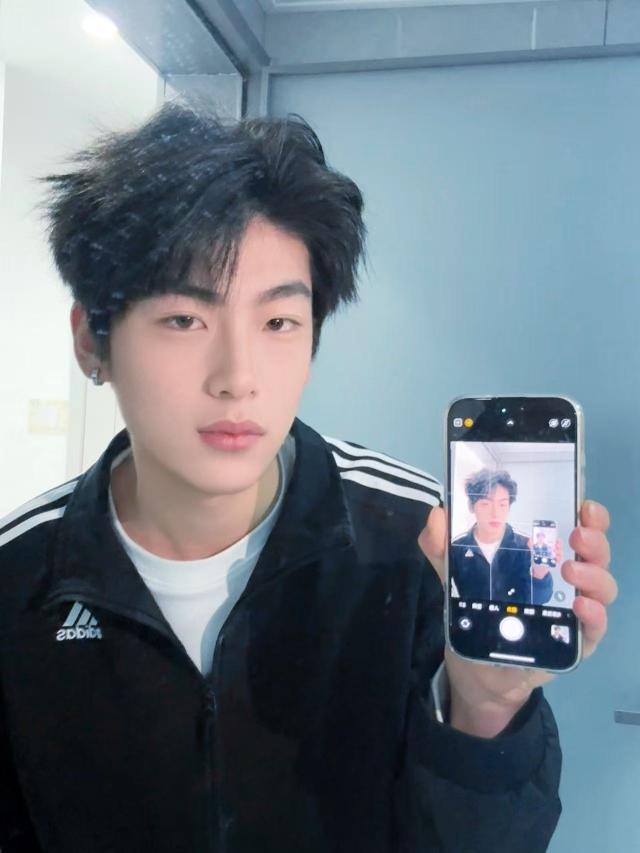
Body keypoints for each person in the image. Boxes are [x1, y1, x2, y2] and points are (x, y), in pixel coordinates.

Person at [0, 103, 616, 852]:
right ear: (92, 341)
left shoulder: (414, 541)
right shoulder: (18, 579)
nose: (238, 378)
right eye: (184, 320)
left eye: (278, 323)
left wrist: (486, 703)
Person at [450, 468, 559, 605]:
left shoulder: (526, 546)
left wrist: (540, 570)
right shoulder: (456, 548)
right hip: (470, 617)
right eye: (485, 504)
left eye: (502, 504)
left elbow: (539, 599)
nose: (495, 513)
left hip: (514, 617)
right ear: (471, 506)